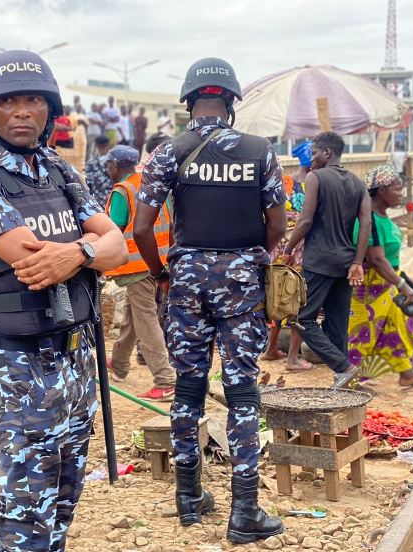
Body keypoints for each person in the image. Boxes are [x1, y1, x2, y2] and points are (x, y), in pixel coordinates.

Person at [0, 50, 127, 551]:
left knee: (64, 499)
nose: (22, 112)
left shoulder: (57, 171)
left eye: (33, 100)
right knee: (26, 510)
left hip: (76, 358)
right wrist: (87, 250)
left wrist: (81, 252)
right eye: (9, 102)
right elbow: (32, 261)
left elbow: (118, 245)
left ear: (50, 110)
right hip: (20, 363)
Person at [134, 58, 286, 543]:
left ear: (188, 103)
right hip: (242, 282)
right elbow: (278, 224)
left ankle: (189, 498)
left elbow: (140, 228)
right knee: (242, 392)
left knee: (188, 389)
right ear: (232, 104)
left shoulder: (167, 152)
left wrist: (162, 275)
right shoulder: (260, 151)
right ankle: (245, 513)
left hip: (185, 282)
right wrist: (251, 259)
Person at [284, 131, 371, 389]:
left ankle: (343, 367)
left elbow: (306, 220)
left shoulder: (316, 178)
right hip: (345, 262)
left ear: (327, 153)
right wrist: (357, 261)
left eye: (314, 153)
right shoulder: (357, 182)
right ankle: (344, 382)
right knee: (337, 323)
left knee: (300, 318)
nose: (311, 159)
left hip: (319, 261)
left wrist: (288, 248)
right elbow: (365, 223)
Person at [348, 165, 413, 387]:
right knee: (361, 335)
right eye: (397, 189)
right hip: (369, 288)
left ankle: (406, 373)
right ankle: (349, 384)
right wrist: (404, 286)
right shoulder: (369, 220)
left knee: (395, 329)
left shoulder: (381, 217)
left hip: (387, 285)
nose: (401, 194)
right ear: (380, 190)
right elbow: (376, 259)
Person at [104, 144, 176, 400]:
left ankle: (165, 379)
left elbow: (113, 230)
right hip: (159, 262)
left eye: (108, 164)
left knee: (145, 319)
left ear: (116, 165)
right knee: (135, 316)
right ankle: (121, 364)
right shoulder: (150, 184)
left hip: (137, 265)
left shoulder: (123, 191)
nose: (107, 169)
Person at [264, 140, 313, 370]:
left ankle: (271, 349)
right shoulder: (314, 185)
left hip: (278, 248)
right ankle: (293, 358)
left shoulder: (285, 181)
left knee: (277, 296)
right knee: (299, 301)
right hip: (300, 249)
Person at [85, 134, 114, 206]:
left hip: (96, 201)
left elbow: (88, 183)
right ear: (108, 145)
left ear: (96, 145)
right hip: (111, 199)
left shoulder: (90, 163)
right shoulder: (113, 162)